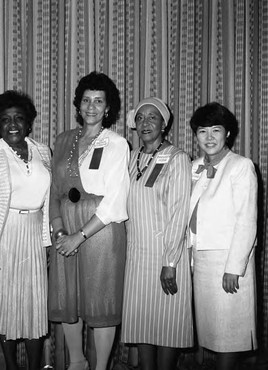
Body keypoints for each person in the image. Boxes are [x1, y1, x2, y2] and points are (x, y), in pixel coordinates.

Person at [48, 71, 130, 370]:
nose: (92, 107)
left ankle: (99, 367)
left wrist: (78, 236)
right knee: (69, 295)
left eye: (99, 101)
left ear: (108, 108)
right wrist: (58, 230)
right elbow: (54, 191)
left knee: (100, 297)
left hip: (99, 230)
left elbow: (115, 201)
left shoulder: (116, 143)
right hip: (65, 225)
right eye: (86, 100)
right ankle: (77, 363)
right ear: (78, 104)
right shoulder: (63, 139)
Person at [0, 90, 51, 370]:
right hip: (1, 238)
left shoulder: (43, 151)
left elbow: (48, 202)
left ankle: (34, 365)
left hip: (33, 237)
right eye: (5, 120)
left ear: (28, 123)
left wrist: (46, 241)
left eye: (19, 118)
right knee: (6, 307)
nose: (13, 124)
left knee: (33, 307)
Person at [120, 97, 193, 370]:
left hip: (166, 256)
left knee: (167, 324)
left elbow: (179, 212)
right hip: (137, 255)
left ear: (164, 123)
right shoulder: (132, 159)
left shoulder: (177, 158)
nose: (145, 123)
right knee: (142, 323)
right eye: (140, 118)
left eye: (152, 117)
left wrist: (170, 262)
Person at [188, 102, 257, 370]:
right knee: (210, 332)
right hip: (200, 261)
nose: (209, 138)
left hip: (228, 262)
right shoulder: (193, 167)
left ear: (228, 133)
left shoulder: (241, 166)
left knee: (229, 333)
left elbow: (246, 221)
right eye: (203, 131)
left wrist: (233, 268)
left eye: (216, 130)